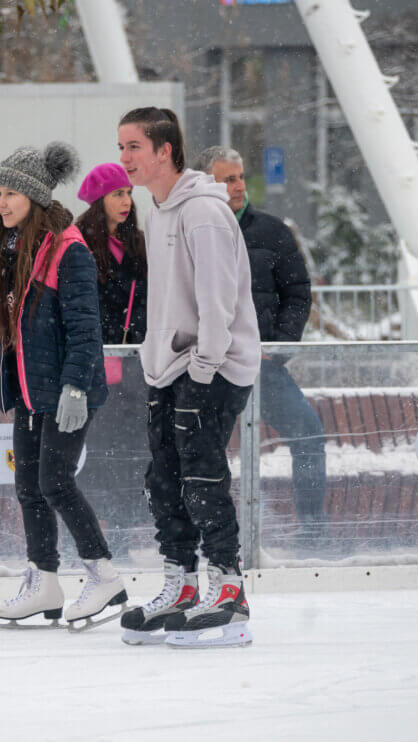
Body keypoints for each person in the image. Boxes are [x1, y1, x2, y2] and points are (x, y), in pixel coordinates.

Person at [0, 142, 127, 631]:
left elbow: (87, 329)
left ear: (35, 196)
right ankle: (44, 581)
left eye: (12, 193)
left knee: (55, 482)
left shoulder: (68, 250)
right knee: (29, 487)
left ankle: (104, 575)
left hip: (66, 391)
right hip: (28, 391)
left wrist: (75, 389)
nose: (2, 202)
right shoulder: (11, 248)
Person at [114, 108, 260, 648]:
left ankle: (229, 592)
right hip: (168, 366)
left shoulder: (202, 212)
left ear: (165, 151)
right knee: (164, 479)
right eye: (121, 146)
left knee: (202, 477)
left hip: (212, 366)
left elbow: (217, 303)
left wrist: (202, 372)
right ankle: (180, 586)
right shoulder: (157, 212)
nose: (124, 157)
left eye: (133, 147)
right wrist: (158, 363)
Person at [193, 146, 327, 539]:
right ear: (208, 184)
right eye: (227, 179)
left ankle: (313, 528)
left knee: (307, 432)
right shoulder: (193, 228)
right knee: (200, 447)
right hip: (209, 368)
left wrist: (280, 346)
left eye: (239, 177)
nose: (237, 186)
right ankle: (209, 536)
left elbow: (298, 292)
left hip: (261, 365)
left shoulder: (271, 230)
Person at [73, 163, 150, 541]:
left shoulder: (137, 242)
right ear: (98, 199)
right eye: (117, 193)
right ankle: (90, 533)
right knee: (94, 455)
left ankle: (121, 527)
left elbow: (147, 301)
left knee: (132, 452)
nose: (126, 200)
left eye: (129, 193)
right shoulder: (77, 244)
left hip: (134, 367)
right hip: (93, 368)